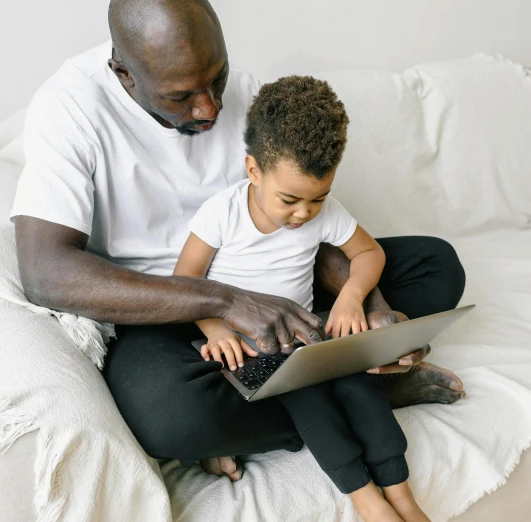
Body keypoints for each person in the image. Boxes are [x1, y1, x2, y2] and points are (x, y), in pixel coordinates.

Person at [12, 0, 465, 504]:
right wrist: (223, 302)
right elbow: (45, 272)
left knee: (436, 265)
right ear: (125, 73)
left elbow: (303, 227)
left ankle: (325, 381)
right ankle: (358, 393)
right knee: (169, 415)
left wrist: (375, 316)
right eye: (181, 96)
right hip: (161, 307)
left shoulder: (249, 95)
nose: (208, 108)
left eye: (217, 79)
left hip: (275, 278)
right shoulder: (70, 107)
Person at [173, 75, 430, 522]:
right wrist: (215, 329)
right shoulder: (223, 213)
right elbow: (185, 280)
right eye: (290, 199)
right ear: (254, 171)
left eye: (318, 199)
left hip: (309, 335)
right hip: (255, 349)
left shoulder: (322, 211)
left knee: (360, 384)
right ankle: (366, 498)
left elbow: (369, 252)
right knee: (309, 399)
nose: (304, 214)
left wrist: (353, 297)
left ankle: (401, 492)